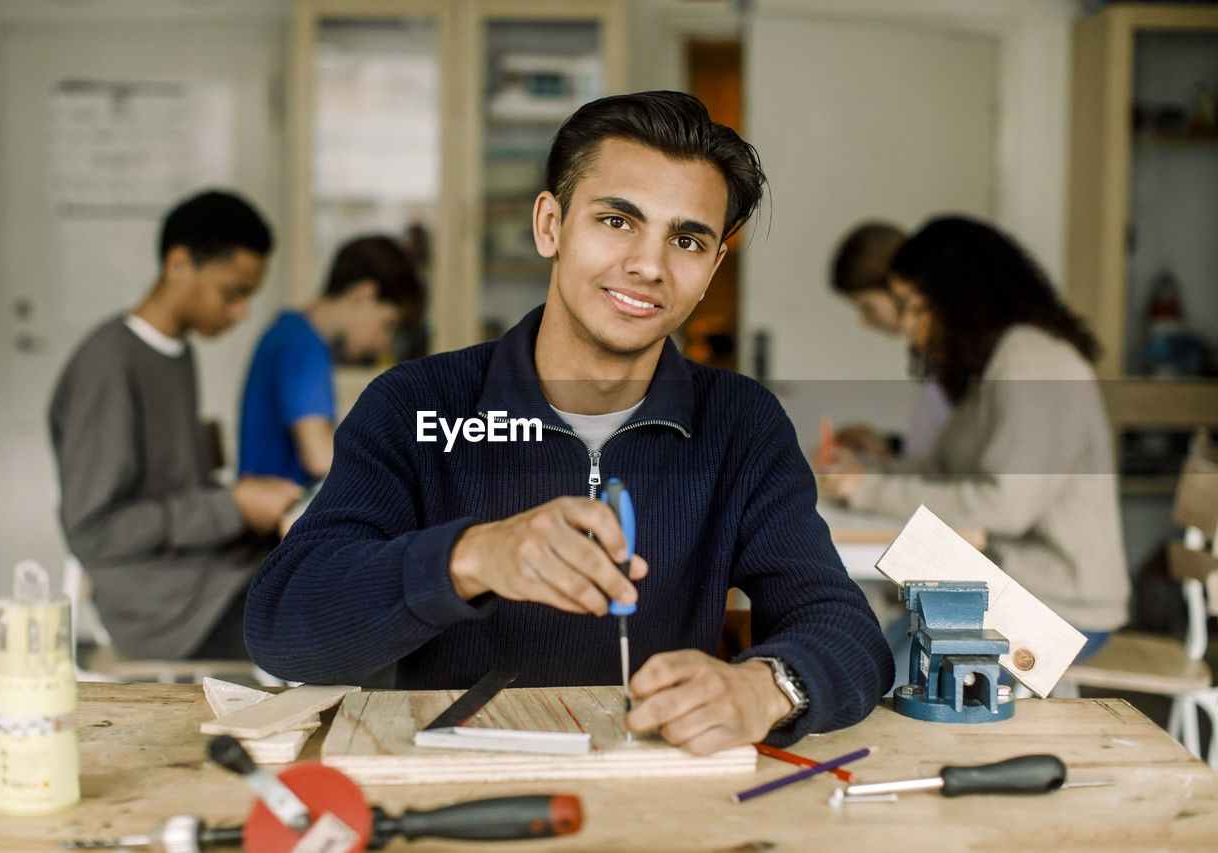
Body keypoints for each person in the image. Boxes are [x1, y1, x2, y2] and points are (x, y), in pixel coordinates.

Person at [245, 90, 892, 754]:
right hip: (457, 793)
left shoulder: (741, 423)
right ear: (550, 225)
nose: (648, 264)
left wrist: (764, 688)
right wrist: (473, 557)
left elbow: (844, 627)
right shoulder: (413, 405)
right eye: (616, 221)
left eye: (688, 238)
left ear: (711, 269)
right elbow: (285, 623)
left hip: (662, 793)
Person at [818, 215, 1130, 662]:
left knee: (880, 670)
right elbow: (945, 469)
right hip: (1009, 587)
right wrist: (867, 473)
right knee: (867, 653)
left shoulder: (1029, 360)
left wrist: (868, 488)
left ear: (955, 299)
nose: (905, 324)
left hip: (1058, 608)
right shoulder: (992, 361)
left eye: (913, 305)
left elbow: (1004, 507)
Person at [49, 190, 303, 661]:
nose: (240, 312)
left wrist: (243, 500)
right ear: (179, 262)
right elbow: (94, 530)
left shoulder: (177, 354)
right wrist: (232, 508)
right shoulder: (108, 365)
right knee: (355, 619)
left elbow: (171, 488)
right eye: (233, 292)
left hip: (209, 575)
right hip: (167, 610)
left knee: (346, 574)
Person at [238, 236, 424, 486]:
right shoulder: (304, 344)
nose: (383, 343)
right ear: (363, 294)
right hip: (279, 517)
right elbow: (319, 456)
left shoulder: (289, 330)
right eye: (388, 325)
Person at [827, 221, 949, 459]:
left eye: (867, 307)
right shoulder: (929, 355)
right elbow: (935, 448)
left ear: (900, 288)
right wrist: (886, 446)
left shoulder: (959, 354)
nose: (864, 321)